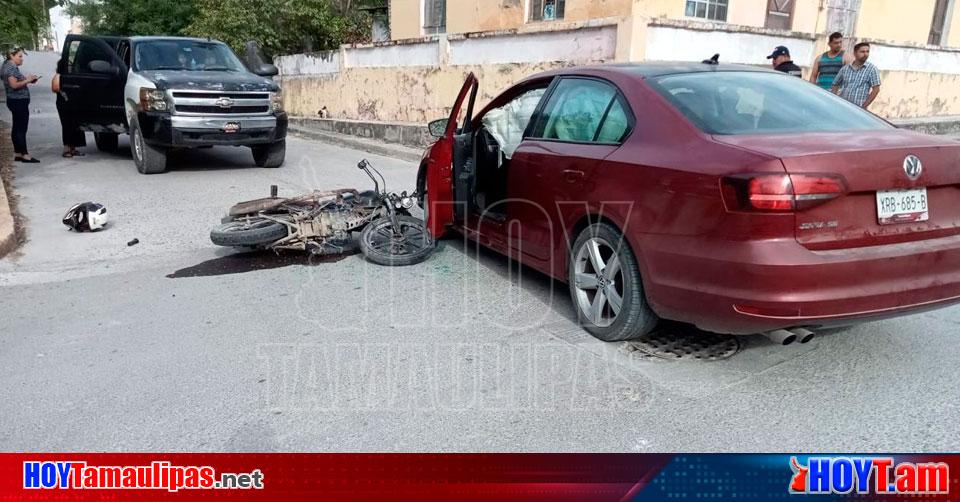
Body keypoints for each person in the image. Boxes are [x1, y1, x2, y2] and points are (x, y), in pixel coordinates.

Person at [1, 47, 41, 163]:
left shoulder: (7, 66)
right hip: (18, 100)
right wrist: (28, 80)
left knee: (16, 126)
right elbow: (13, 85)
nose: (22, 59)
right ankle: (25, 155)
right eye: (19, 56)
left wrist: (30, 80)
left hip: (14, 100)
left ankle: (18, 153)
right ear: (11, 56)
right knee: (21, 128)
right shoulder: (11, 68)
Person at [52, 57, 86, 158]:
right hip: (64, 103)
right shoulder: (59, 76)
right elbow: (55, 88)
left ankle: (73, 148)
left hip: (74, 103)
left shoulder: (72, 75)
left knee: (75, 125)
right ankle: (66, 148)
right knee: (67, 125)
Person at [831, 42, 881, 109]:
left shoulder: (872, 69)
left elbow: (876, 89)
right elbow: (835, 84)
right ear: (855, 53)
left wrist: (864, 106)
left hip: (858, 109)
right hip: (843, 106)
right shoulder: (845, 69)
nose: (865, 54)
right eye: (862, 52)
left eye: (867, 51)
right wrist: (835, 100)